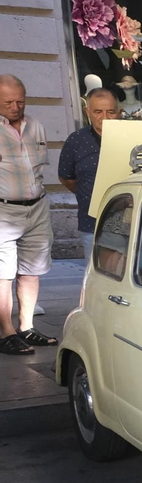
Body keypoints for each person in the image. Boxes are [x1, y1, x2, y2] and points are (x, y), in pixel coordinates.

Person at [0, 74, 56, 356]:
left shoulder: (36, 126)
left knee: (32, 270)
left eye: (20, 101)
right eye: (8, 102)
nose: (15, 107)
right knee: (3, 274)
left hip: (37, 206)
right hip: (3, 209)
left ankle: (26, 327)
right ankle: (6, 333)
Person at [58, 88, 120, 258]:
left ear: (119, 112)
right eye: (98, 112)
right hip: (92, 222)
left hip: (132, 221)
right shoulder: (76, 140)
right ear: (88, 112)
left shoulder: (133, 138)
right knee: (96, 271)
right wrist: (88, 194)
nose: (105, 117)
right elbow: (66, 177)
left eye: (110, 112)